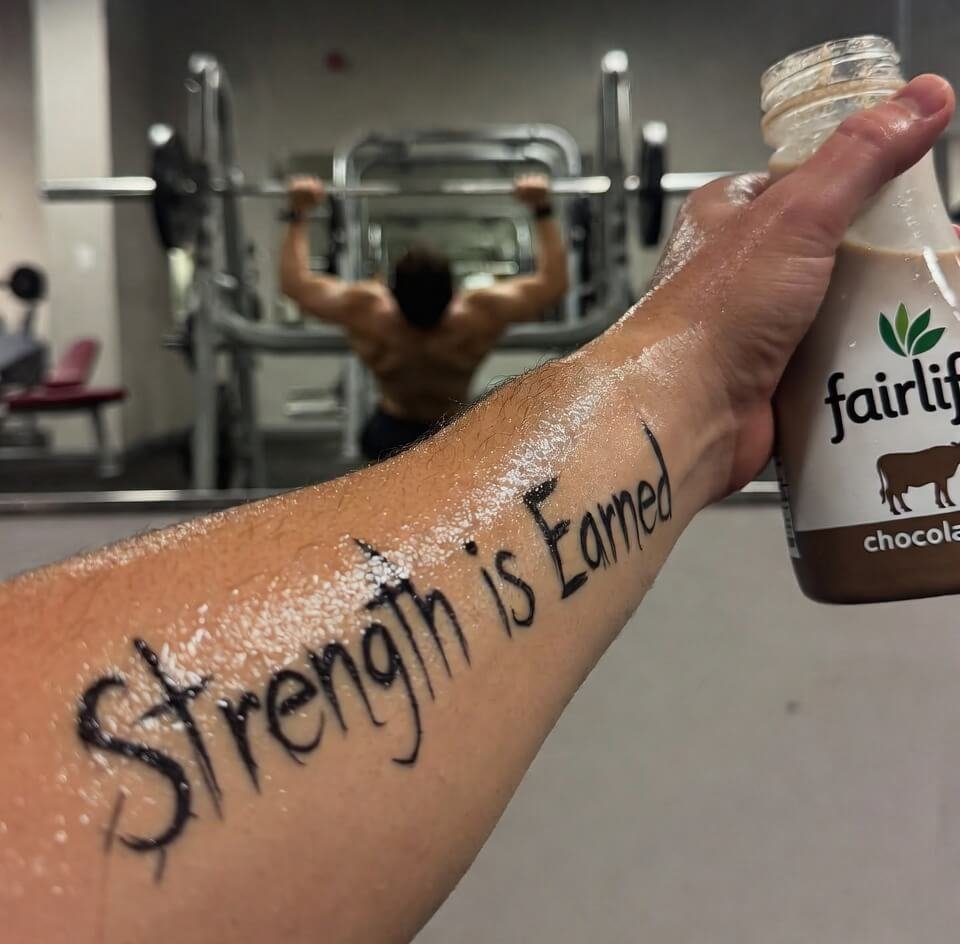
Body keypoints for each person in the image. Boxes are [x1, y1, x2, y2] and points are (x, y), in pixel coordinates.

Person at [0, 74, 952, 944]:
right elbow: (526, 286)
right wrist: (539, 226)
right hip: (408, 441)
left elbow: (317, 285)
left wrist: (305, 222)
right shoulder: (461, 315)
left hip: (429, 435)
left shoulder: (379, 313)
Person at [279, 173, 569, 460]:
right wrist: (541, 208)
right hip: (452, 429)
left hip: (390, 431)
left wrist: (298, 213)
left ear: (392, 294)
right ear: (453, 293)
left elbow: (295, 284)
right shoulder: (477, 314)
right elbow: (553, 284)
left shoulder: (369, 312)